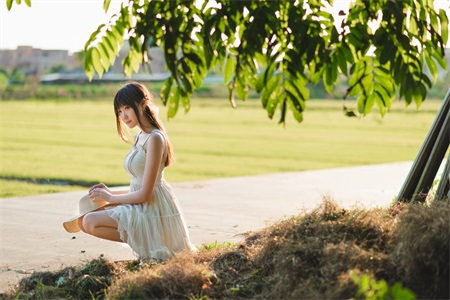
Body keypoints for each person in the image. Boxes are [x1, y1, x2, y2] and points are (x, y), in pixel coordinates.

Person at [78, 81, 196, 262]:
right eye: (119, 111)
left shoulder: (155, 138)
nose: (123, 115)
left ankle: (150, 246)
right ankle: (147, 247)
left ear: (142, 104)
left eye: (127, 108)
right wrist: (109, 193)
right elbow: (137, 187)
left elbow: (146, 194)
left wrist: (111, 199)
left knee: (89, 221)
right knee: (82, 220)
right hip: (139, 202)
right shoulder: (140, 135)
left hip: (151, 209)